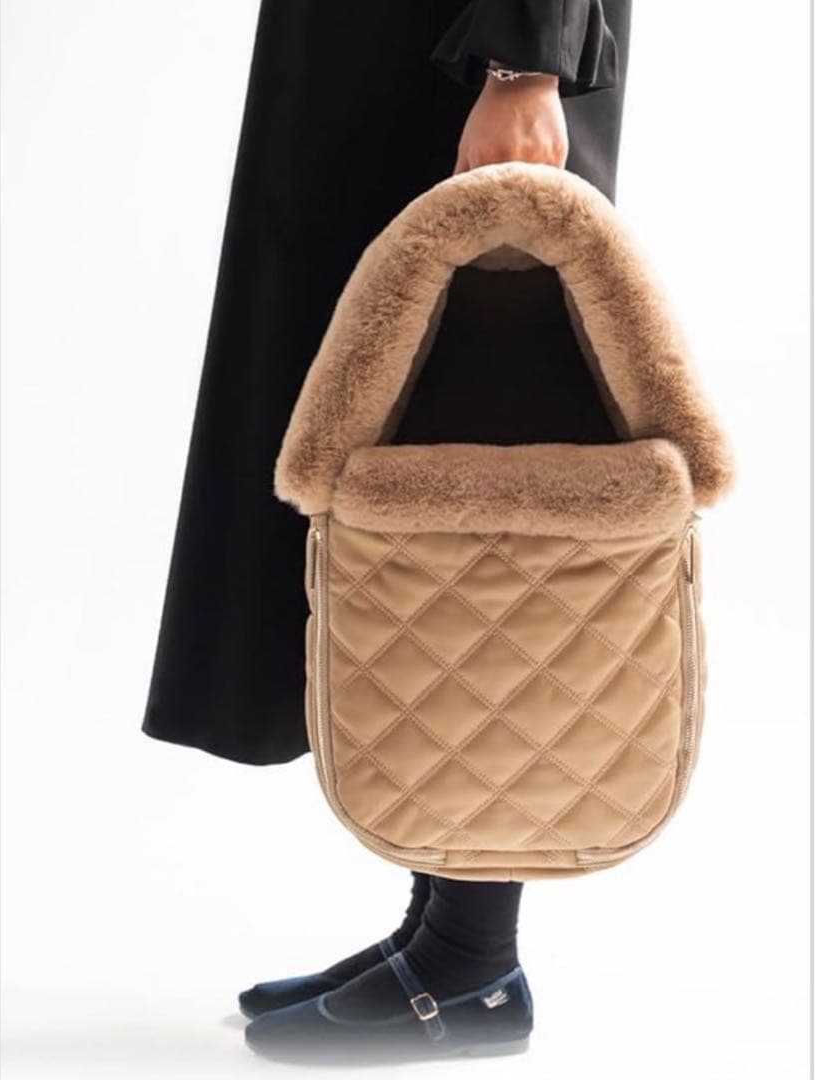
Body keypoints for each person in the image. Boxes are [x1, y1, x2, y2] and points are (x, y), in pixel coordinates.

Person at [141, 0, 632, 1061]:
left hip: (468, 71)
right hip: (391, 71)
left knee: (480, 492)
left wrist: (525, 64)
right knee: (402, 505)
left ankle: (474, 960)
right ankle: (437, 923)